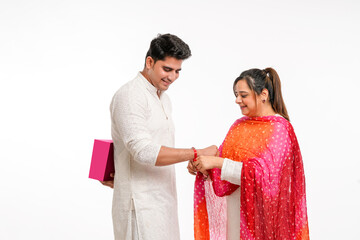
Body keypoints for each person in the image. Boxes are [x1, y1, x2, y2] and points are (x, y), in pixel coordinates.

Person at [102, 33, 218, 240]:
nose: (172, 77)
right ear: (149, 62)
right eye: (167, 69)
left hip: (164, 200)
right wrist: (196, 153)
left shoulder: (163, 98)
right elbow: (143, 151)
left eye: (177, 71)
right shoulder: (130, 95)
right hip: (139, 206)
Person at [188, 68, 309, 240]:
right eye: (236, 95)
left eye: (243, 95)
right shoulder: (239, 126)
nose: (237, 100)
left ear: (263, 94)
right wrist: (202, 165)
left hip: (263, 221)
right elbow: (223, 169)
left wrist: (216, 162)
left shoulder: (279, 129)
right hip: (234, 216)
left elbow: (267, 179)